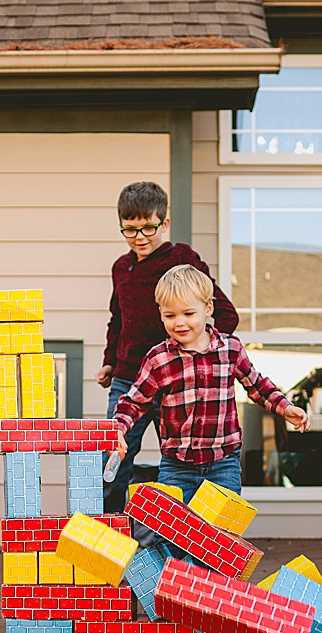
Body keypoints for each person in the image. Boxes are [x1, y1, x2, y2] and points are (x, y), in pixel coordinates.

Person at [112, 264, 308, 505]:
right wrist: (117, 429)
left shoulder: (230, 349)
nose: (179, 323)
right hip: (177, 467)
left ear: (208, 309)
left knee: (220, 533)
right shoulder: (158, 358)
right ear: (160, 312)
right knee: (172, 533)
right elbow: (134, 401)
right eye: (170, 316)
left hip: (223, 463)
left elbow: (257, 386)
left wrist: (285, 408)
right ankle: (164, 545)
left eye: (188, 314)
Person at [99, 181, 238, 511]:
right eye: (130, 230)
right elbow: (117, 319)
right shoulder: (121, 267)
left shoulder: (180, 257)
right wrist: (109, 361)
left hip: (173, 382)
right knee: (112, 457)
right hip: (127, 379)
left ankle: (188, 537)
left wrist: (197, 355)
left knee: (182, 463)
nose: (140, 237)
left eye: (149, 227)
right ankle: (108, 536)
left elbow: (222, 313)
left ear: (165, 222)